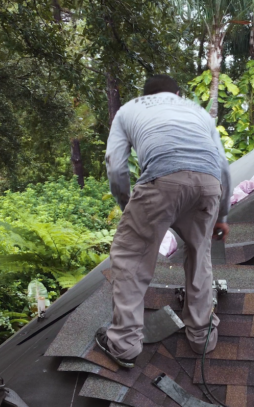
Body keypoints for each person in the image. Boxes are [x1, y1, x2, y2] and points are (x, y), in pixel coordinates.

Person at [95, 75, 231, 368]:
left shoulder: (129, 109)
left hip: (161, 180)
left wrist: (127, 205)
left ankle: (124, 344)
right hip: (209, 185)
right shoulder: (196, 111)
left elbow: (115, 165)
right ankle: (202, 337)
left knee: (130, 257)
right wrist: (223, 215)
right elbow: (223, 166)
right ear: (177, 93)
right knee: (199, 255)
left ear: (144, 94)